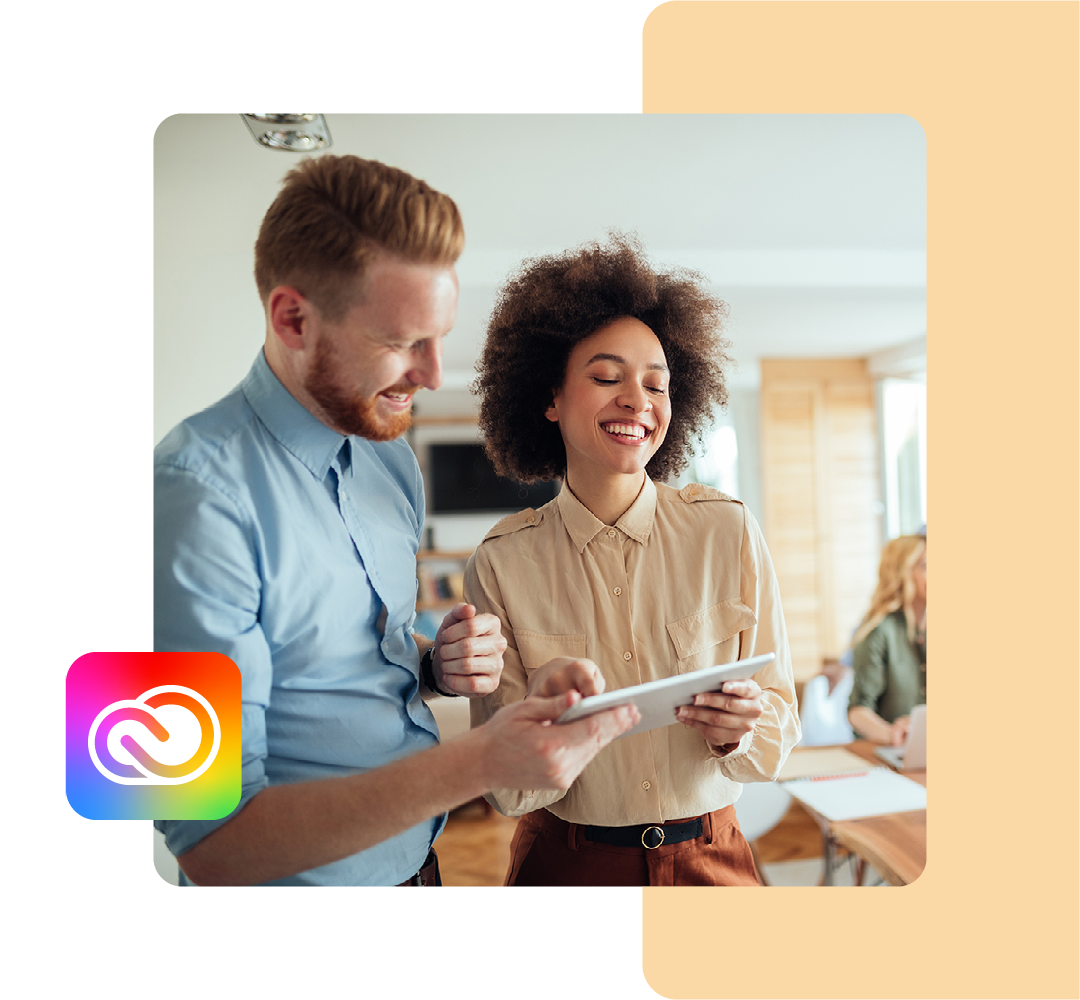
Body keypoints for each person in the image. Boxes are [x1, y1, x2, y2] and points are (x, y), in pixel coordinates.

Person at [153, 155, 638, 887]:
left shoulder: (390, 464)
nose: (436, 374)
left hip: (416, 871)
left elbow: (333, 667)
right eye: (401, 341)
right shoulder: (179, 496)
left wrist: (430, 666)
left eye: (440, 336)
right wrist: (480, 760)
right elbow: (206, 846)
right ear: (293, 318)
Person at [464, 235, 800, 886]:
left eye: (656, 384)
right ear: (551, 398)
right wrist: (542, 728)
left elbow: (779, 725)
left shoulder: (726, 531)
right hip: (566, 867)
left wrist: (738, 732)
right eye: (606, 377)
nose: (637, 401)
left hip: (715, 862)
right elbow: (507, 790)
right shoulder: (502, 563)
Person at [847, 533, 927, 746]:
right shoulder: (879, 631)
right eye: (925, 566)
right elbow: (858, 711)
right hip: (891, 754)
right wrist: (892, 733)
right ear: (902, 573)